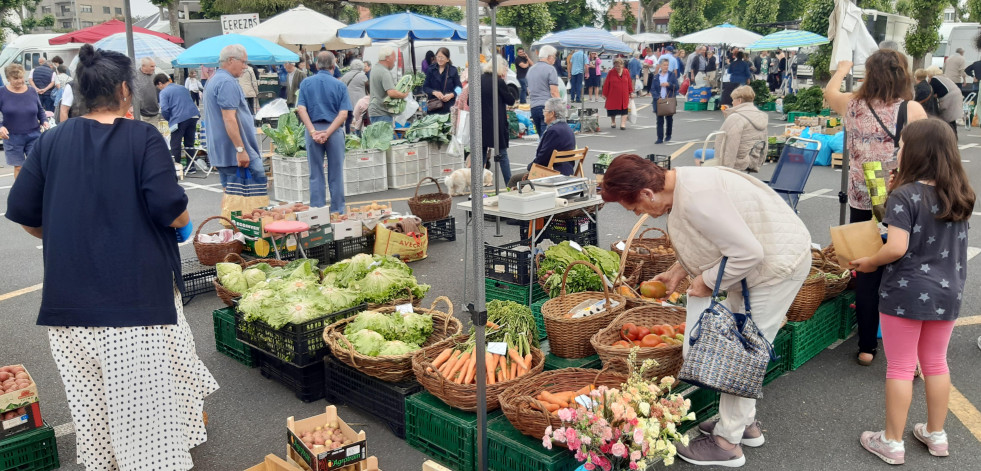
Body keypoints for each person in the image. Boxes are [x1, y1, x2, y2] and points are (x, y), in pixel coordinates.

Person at [4, 43, 217, 471]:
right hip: (133, 307)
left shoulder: (51, 141)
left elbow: (27, 216)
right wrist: (183, 222)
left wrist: (68, 234)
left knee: (95, 416)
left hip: (68, 311)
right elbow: (172, 211)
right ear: (124, 89)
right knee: (147, 431)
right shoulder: (142, 138)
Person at [600, 153, 812, 468]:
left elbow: (747, 252)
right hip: (766, 263)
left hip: (775, 269)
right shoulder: (683, 181)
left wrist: (707, 281)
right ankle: (744, 425)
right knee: (737, 346)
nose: (638, 214)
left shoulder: (697, 198)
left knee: (740, 354)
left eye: (634, 208)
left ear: (647, 192)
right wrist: (678, 271)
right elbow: (716, 240)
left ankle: (727, 443)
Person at [849, 119, 974, 465]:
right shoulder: (960, 193)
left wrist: (871, 262)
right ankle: (936, 435)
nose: (897, 150)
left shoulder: (904, 196)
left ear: (916, 152)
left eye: (902, 145)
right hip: (948, 292)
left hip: (906, 291)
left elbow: (896, 248)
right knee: (936, 362)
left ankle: (891, 441)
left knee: (902, 366)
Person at [824, 51, 928, 366]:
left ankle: (867, 347)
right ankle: (905, 348)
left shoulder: (852, 104)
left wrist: (842, 69)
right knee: (903, 265)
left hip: (861, 196)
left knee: (867, 268)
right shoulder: (911, 109)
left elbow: (829, 93)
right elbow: (923, 155)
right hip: (899, 197)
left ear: (869, 74)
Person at [204, 44, 266, 193]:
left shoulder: (214, 80)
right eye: (243, 62)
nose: (245, 66)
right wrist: (240, 149)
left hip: (223, 152)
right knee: (253, 204)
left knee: (233, 203)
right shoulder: (227, 82)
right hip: (235, 152)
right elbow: (229, 118)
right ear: (231, 60)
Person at [297, 51, 351, 213]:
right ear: (333, 66)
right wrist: (327, 132)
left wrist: (313, 131)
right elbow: (343, 114)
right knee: (336, 172)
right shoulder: (340, 85)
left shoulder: (306, 83)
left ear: (316, 65)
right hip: (333, 131)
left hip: (312, 129)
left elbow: (301, 108)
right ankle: (338, 211)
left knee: (315, 172)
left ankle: (317, 211)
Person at [507, 97, 577, 188]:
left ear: (552, 114)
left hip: (553, 174)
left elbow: (542, 158)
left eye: (545, 110)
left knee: (514, 179)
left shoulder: (554, 131)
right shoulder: (567, 128)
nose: (543, 112)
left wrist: (530, 167)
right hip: (566, 171)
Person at [695, 85, 768, 171]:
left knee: (698, 153)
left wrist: (725, 169)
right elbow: (765, 144)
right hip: (753, 159)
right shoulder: (761, 116)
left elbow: (731, 146)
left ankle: (709, 180)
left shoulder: (736, 118)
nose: (732, 102)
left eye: (733, 99)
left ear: (739, 100)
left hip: (738, 161)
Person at [0, 64, 45, 178]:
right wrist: (1, 126)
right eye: (16, 79)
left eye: (21, 78)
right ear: (8, 79)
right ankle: (20, 194)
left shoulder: (31, 91)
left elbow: (39, 109)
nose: (20, 81)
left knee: (35, 165)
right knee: (19, 167)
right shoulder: (2, 92)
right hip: (12, 136)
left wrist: (44, 120)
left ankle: (34, 192)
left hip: (34, 134)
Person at [479, 56, 516, 184]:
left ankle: (477, 185)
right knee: (502, 154)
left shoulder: (479, 80)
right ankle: (509, 184)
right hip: (496, 122)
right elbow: (510, 100)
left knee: (481, 155)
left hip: (481, 122)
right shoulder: (498, 82)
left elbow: (469, 101)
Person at [155, 73, 200, 167]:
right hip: (193, 115)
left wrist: (169, 119)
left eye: (158, 87)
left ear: (160, 83)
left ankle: (177, 167)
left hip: (179, 118)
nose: (159, 89)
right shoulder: (182, 87)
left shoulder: (164, 92)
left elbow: (164, 109)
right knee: (189, 143)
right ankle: (191, 166)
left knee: (175, 143)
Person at [368, 45, 408, 124]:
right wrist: (404, 95)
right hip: (382, 112)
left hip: (375, 111)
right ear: (387, 58)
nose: (395, 60)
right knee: (384, 136)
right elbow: (391, 92)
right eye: (394, 58)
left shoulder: (375, 69)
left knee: (377, 136)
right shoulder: (384, 72)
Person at [527, 45, 560, 135]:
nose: (555, 59)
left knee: (541, 139)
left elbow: (529, 90)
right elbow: (554, 92)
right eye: (554, 56)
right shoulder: (551, 69)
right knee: (547, 138)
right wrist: (561, 108)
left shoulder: (531, 69)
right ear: (549, 57)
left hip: (534, 107)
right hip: (547, 107)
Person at [926, 66, 963, 138]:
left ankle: (950, 136)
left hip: (950, 98)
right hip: (956, 95)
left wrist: (935, 96)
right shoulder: (943, 77)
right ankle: (954, 135)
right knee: (951, 118)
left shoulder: (934, 79)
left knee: (946, 117)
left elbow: (932, 91)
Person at [423, 47, 461, 115]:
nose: (440, 59)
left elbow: (459, 88)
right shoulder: (431, 69)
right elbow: (425, 87)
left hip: (448, 106)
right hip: (434, 106)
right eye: (438, 57)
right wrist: (434, 92)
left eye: (442, 57)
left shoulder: (453, 70)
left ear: (447, 59)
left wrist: (451, 95)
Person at [648, 58, 678, 144]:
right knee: (659, 119)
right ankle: (659, 138)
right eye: (664, 65)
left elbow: (676, 87)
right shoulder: (656, 77)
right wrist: (657, 97)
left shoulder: (671, 75)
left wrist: (669, 84)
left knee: (669, 118)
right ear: (660, 66)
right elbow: (652, 89)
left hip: (669, 99)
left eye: (667, 65)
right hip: (659, 100)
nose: (666, 67)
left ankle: (668, 135)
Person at [340, 59, 369, 133]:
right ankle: (357, 134)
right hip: (359, 101)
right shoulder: (363, 76)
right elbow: (368, 88)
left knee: (348, 119)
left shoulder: (345, 76)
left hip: (348, 101)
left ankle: (348, 134)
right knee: (359, 119)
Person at [603, 58, 632, 130]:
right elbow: (607, 83)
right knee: (612, 108)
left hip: (624, 94)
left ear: (622, 65)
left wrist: (631, 92)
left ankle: (623, 124)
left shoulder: (626, 71)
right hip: (613, 94)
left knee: (624, 108)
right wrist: (604, 93)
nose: (617, 68)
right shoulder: (611, 72)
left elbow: (629, 82)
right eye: (615, 66)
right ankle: (613, 121)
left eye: (618, 66)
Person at [133, 58, 160, 123]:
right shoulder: (135, 77)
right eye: (151, 66)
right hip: (140, 114)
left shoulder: (154, 76)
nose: (154, 68)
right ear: (144, 66)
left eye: (154, 66)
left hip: (154, 113)